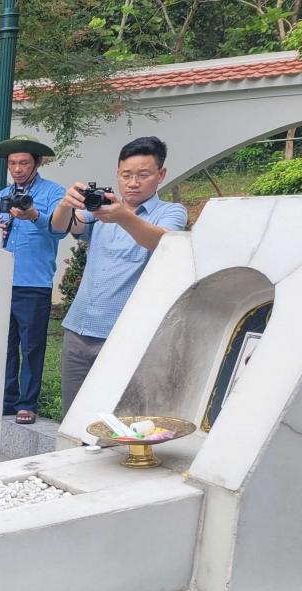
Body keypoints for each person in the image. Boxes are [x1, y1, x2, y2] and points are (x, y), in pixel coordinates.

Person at [51, 136, 188, 415]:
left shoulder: (171, 212)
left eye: (143, 174)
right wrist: (66, 204)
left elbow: (163, 242)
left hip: (124, 335)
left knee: (120, 416)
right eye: (126, 175)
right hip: (78, 329)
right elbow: (64, 226)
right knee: (73, 416)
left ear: (161, 175)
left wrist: (123, 216)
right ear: (117, 174)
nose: (133, 182)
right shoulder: (100, 210)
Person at [0, 136, 67, 426]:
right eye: (12, 163)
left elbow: (60, 231)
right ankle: (6, 400)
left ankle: (27, 403)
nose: (17, 169)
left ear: (37, 163)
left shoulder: (54, 192)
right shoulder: (0, 196)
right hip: (0, 281)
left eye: (24, 163)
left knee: (31, 346)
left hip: (34, 283)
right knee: (3, 345)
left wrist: (34, 215)